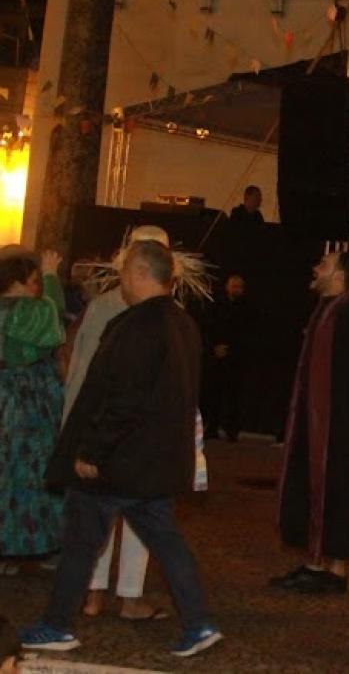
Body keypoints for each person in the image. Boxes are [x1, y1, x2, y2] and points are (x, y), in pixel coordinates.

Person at [23, 240, 222, 658]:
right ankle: (199, 622)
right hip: (153, 462)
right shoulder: (183, 324)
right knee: (166, 541)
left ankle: (57, 624)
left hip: (118, 463)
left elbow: (121, 398)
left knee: (80, 541)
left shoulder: (137, 325)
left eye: (124, 271)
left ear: (138, 272)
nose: (120, 281)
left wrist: (91, 451)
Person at [68, 225, 212, 622]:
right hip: (125, 439)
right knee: (119, 521)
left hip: (130, 440)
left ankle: (105, 596)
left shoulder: (156, 314)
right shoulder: (122, 310)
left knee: (121, 522)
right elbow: (85, 375)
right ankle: (103, 596)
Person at [271, 252, 349, 595]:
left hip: (337, 424)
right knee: (317, 485)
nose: (315, 268)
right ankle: (319, 563)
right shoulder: (325, 311)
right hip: (317, 420)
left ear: (341, 275)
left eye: (324, 265)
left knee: (338, 488)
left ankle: (331, 567)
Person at [0, 248, 66, 574]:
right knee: (36, 472)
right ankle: (40, 545)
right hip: (27, 403)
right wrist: (53, 276)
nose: (36, 286)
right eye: (33, 280)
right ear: (18, 282)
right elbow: (56, 318)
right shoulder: (28, 311)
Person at [202, 273, 251, 443]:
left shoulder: (246, 310)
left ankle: (232, 430)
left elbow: (247, 334)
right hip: (217, 357)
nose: (237, 290)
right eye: (234, 286)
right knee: (213, 393)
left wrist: (233, 349)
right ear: (227, 287)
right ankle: (212, 427)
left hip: (236, 358)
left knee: (234, 395)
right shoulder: (216, 306)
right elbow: (208, 328)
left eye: (240, 287)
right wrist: (215, 347)